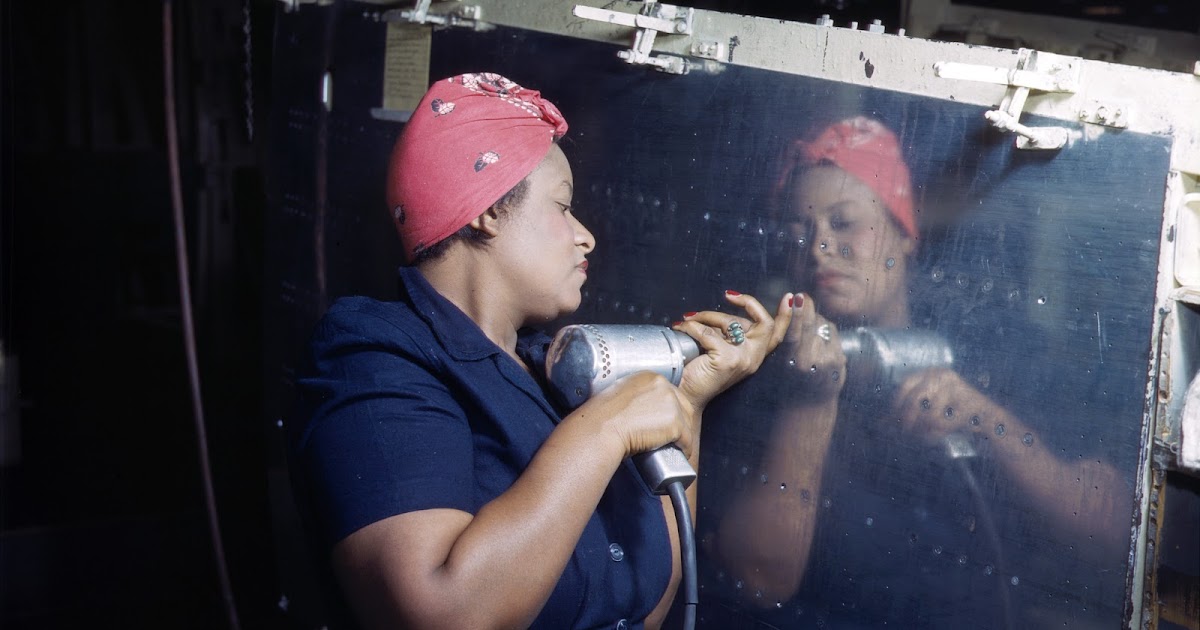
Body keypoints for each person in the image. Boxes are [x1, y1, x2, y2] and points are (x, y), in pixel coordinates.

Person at [287, 72, 794, 630]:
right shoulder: (374, 358)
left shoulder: (544, 371)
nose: (586, 236)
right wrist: (606, 428)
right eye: (562, 206)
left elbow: (647, 603)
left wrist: (686, 408)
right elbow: (442, 613)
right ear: (486, 210)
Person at [702, 116, 1129, 626]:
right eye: (798, 231)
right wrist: (809, 401)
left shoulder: (992, 349)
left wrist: (990, 425)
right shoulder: (761, 376)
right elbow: (756, 581)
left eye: (843, 222)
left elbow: (1116, 538)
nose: (816, 248)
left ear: (904, 232)